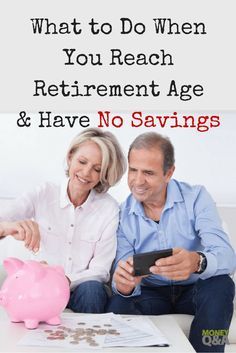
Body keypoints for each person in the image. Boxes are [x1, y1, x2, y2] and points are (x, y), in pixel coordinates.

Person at [107, 132, 236, 352]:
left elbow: (227, 256)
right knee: (118, 304)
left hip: (194, 290)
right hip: (150, 294)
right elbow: (122, 269)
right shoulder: (122, 214)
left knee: (222, 285)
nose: (138, 181)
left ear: (169, 173)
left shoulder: (196, 198)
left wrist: (197, 262)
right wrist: (124, 284)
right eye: (134, 170)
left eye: (148, 172)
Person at [0, 128, 126, 313]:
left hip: (80, 289)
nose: (86, 172)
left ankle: (87, 340)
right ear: (70, 157)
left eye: (97, 169)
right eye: (82, 162)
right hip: (41, 289)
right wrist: (7, 227)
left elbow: (101, 270)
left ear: (104, 174)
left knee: (93, 290)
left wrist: (63, 281)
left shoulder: (109, 209)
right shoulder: (44, 193)